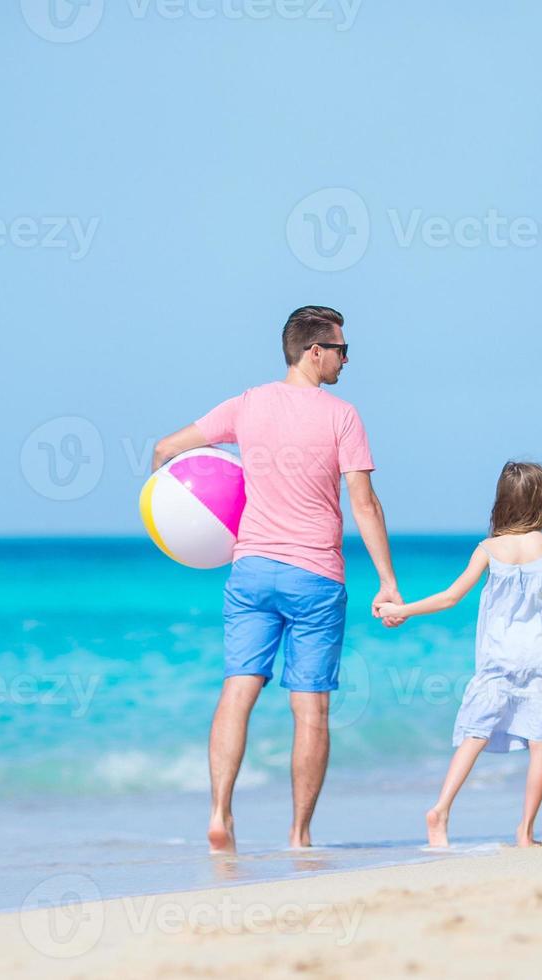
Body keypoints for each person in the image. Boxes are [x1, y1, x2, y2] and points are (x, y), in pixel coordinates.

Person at [152, 306, 402, 853]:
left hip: (251, 570)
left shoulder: (245, 405)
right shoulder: (342, 416)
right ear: (315, 351)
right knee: (309, 707)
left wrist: (172, 520)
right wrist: (387, 580)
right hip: (314, 575)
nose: (346, 359)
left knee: (237, 690)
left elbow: (166, 449)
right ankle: (299, 834)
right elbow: (364, 504)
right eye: (340, 349)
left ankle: (220, 813)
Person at [377, 462, 542, 848]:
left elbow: (451, 597)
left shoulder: (488, 549)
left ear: (502, 502)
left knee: (475, 734)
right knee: (540, 746)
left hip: (497, 658)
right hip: (541, 659)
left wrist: (400, 610)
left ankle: (440, 809)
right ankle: (525, 832)